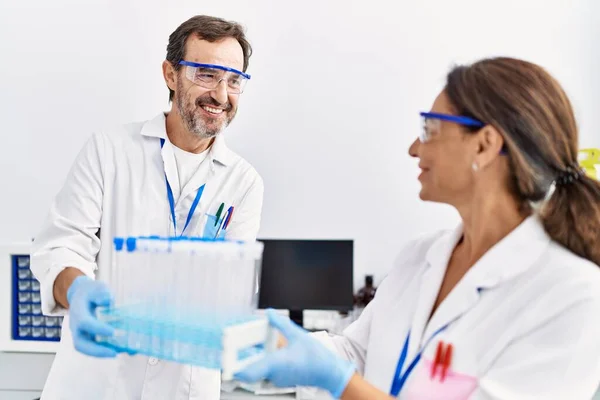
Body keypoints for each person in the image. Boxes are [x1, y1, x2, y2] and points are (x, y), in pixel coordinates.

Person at [236, 57, 600, 399]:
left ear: (485, 145)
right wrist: (278, 344)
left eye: (430, 129)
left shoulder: (572, 295)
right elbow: (357, 352)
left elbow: (344, 376)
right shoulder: (420, 256)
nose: (414, 148)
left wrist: (336, 380)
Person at [30, 15, 263, 400]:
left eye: (233, 80)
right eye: (206, 74)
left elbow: (229, 290)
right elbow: (61, 245)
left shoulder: (244, 182)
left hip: (183, 386)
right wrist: (79, 290)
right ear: (171, 74)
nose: (221, 95)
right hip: (96, 382)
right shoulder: (109, 150)